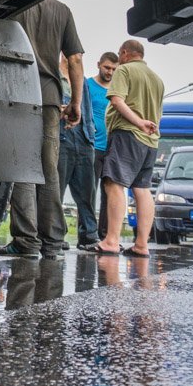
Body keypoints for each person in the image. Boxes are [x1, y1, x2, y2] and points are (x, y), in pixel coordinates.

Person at [0, 0, 84, 259]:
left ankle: (26, 241)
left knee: (22, 166)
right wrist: (76, 102)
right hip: (50, 97)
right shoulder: (62, 10)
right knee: (49, 169)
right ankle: (53, 242)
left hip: (17, 90)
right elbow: (75, 59)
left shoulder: (16, 3)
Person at [96, 39, 164, 258]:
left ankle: (111, 241)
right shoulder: (157, 79)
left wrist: (138, 122)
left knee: (114, 184)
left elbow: (116, 100)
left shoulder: (124, 71)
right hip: (150, 142)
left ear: (125, 53)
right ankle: (142, 244)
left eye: (119, 55)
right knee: (142, 190)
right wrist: (146, 126)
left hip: (127, 134)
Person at [57, 55, 96, 249]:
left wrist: (91, 133)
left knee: (87, 192)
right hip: (61, 136)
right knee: (56, 191)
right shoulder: (54, 76)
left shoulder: (84, 82)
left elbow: (89, 110)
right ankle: (56, 235)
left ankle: (89, 235)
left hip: (84, 139)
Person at [83, 52, 119, 252]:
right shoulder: (88, 85)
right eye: (107, 67)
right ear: (99, 65)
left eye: (114, 69)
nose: (110, 72)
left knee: (110, 193)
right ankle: (88, 234)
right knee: (89, 191)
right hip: (92, 146)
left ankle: (106, 235)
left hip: (112, 148)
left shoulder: (117, 90)